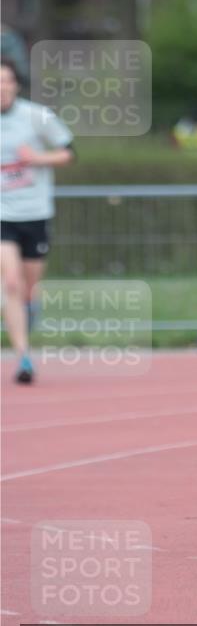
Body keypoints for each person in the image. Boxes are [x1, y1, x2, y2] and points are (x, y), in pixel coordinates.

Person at [0, 58, 75, 384]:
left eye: (6, 80)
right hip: (3, 214)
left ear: (16, 85)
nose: (1, 87)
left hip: (35, 212)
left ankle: (29, 317)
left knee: (30, 289)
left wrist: (36, 159)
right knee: (11, 283)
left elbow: (68, 151)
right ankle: (23, 356)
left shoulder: (37, 115)